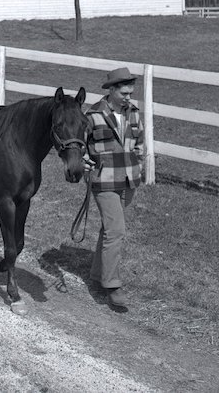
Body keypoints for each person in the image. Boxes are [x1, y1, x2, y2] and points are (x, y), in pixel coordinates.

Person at [85, 66, 145, 309]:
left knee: (109, 229)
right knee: (116, 231)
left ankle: (97, 274)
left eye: (130, 93)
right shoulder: (93, 115)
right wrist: (84, 161)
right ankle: (112, 285)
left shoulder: (134, 113)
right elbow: (79, 145)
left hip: (128, 180)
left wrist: (139, 162)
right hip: (104, 181)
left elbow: (139, 142)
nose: (128, 98)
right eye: (124, 94)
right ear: (111, 90)